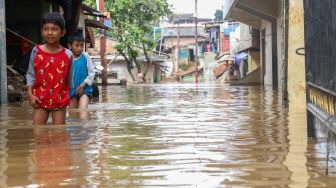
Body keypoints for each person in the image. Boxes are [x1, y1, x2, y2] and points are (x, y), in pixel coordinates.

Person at [26, 12, 73, 125]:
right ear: (42, 31)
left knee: (59, 134)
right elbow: (31, 74)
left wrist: (69, 98)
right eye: (46, 29)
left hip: (60, 100)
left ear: (62, 32)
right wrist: (30, 94)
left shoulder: (68, 54)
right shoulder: (36, 51)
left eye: (54, 29)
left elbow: (69, 80)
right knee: (38, 133)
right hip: (40, 99)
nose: (50, 32)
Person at [67, 30, 95, 110]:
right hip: (72, 91)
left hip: (84, 89)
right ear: (70, 45)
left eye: (82, 45)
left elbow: (91, 73)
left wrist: (82, 85)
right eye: (77, 45)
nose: (80, 48)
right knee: (72, 115)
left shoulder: (85, 56)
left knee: (83, 111)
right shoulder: (67, 58)